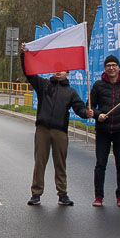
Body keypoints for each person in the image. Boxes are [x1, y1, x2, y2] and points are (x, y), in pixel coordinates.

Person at [25, 69, 89, 206]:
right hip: (42, 129)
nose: (59, 72)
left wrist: (86, 113)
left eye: (63, 70)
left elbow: (79, 108)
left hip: (60, 131)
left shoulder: (71, 92)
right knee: (40, 161)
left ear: (67, 74)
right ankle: (36, 193)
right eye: (57, 70)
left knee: (60, 163)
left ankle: (62, 193)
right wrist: (24, 55)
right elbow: (29, 73)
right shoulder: (44, 85)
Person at [87, 55, 120, 207]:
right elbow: (89, 106)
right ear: (105, 68)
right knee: (101, 164)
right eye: (108, 65)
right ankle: (98, 196)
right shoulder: (98, 86)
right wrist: (96, 114)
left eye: (114, 65)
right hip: (103, 130)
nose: (111, 68)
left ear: (119, 67)